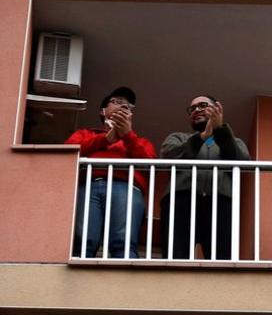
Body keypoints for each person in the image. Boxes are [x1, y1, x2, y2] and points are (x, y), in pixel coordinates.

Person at [66, 86, 157, 258]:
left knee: (123, 242)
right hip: (88, 186)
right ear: (103, 111)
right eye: (117, 102)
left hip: (127, 187)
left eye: (128, 106)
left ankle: (124, 283)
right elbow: (68, 153)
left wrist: (128, 136)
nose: (123, 106)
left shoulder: (141, 141)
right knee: (83, 242)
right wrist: (106, 139)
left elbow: (149, 165)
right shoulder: (86, 133)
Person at [159, 96, 251, 260]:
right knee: (176, 256)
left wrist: (221, 130)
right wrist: (202, 137)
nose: (196, 110)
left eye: (202, 105)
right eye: (192, 108)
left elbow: (242, 163)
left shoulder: (233, 141)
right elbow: (167, 156)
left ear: (217, 109)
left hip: (220, 202)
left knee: (222, 260)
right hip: (181, 201)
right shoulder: (178, 138)